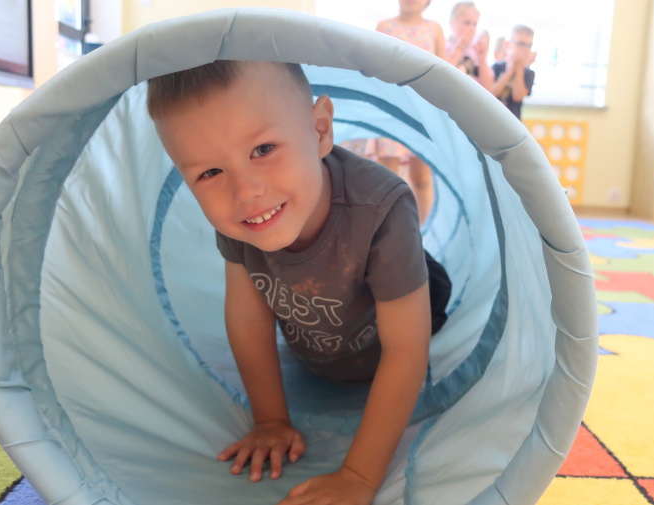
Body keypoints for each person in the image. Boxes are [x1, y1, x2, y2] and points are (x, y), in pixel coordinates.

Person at [147, 60, 451, 505]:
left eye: (263, 149)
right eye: (210, 173)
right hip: (326, 328)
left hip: (402, 295)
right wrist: (270, 420)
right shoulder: (243, 219)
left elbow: (407, 349)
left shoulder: (381, 208)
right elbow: (248, 321)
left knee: (414, 291)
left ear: (320, 130)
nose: (245, 191)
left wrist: (358, 477)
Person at [370, 0, 449, 224]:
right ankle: (384, 232)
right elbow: (372, 69)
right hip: (390, 110)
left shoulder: (434, 29)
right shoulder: (384, 27)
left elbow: (443, 75)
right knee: (386, 177)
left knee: (422, 178)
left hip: (423, 113)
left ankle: (424, 234)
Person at [491, 24, 536, 121]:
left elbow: (517, 97)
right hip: (493, 117)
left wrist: (519, 69)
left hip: (514, 121)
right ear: (507, 45)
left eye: (529, 45)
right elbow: (491, 93)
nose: (525, 49)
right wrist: (509, 72)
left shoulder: (529, 73)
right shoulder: (497, 67)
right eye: (521, 44)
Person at [445, 2, 493, 90]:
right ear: (452, 23)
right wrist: (459, 47)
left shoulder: (476, 50)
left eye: (475, 24)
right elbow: (443, 75)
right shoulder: (445, 47)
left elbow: (489, 88)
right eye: (467, 23)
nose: (472, 29)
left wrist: (482, 59)